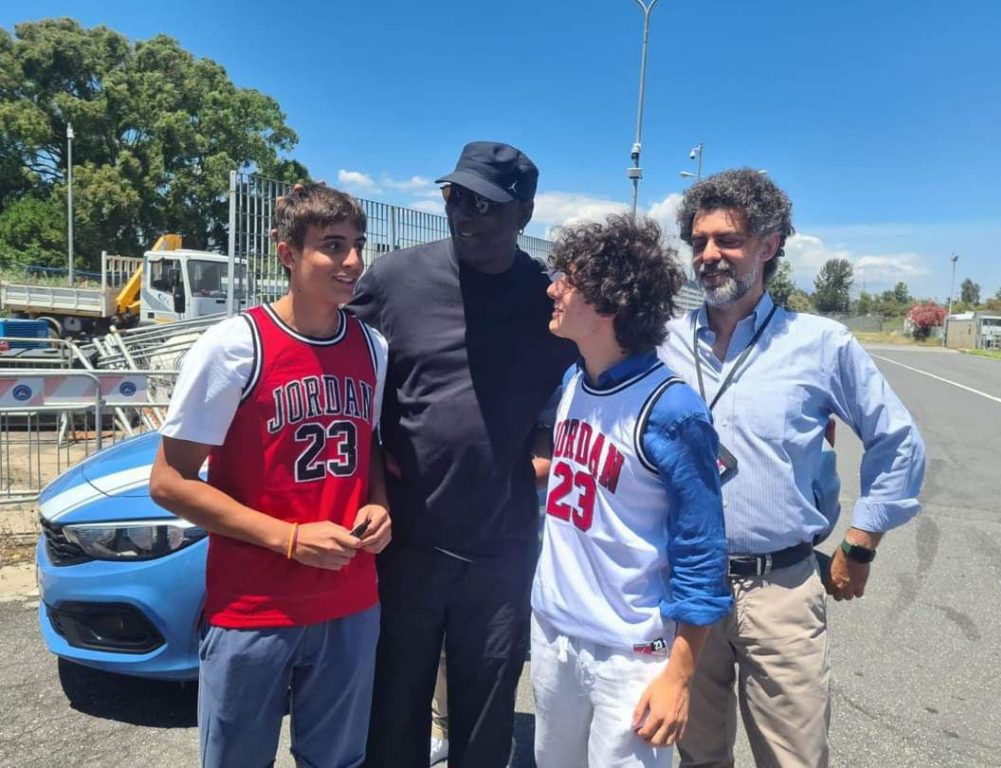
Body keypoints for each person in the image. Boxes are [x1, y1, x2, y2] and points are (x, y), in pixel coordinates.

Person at [657, 168, 926, 767]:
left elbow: (898, 439)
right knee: (696, 755)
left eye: (727, 240)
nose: (709, 256)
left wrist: (860, 543)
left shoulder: (820, 342)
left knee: (794, 758)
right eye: (698, 242)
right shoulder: (666, 341)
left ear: (769, 245)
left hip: (780, 589)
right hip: (686, 587)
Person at [347, 141, 577, 767]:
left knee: (485, 715)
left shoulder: (549, 297)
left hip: (500, 551)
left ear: (524, 215)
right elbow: (346, 388)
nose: (466, 214)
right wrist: (372, 483)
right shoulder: (394, 280)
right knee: (393, 708)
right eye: (455, 197)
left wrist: (544, 455)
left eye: (486, 204)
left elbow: (597, 387)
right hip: (407, 543)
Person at [149, 183, 392, 767]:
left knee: (337, 761)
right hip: (254, 607)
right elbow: (169, 481)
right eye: (332, 246)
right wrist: (287, 538)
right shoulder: (235, 346)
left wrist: (380, 502)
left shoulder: (373, 346)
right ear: (287, 254)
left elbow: (369, 447)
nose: (353, 261)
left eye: (358, 245)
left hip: (349, 600)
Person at [529, 214, 732, 768]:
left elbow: (702, 553)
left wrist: (679, 677)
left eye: (567, 279)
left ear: (609, 302)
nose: (553, 288)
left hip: (631, 654)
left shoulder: (672, 411)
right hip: (554, 633)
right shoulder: (575, 382)